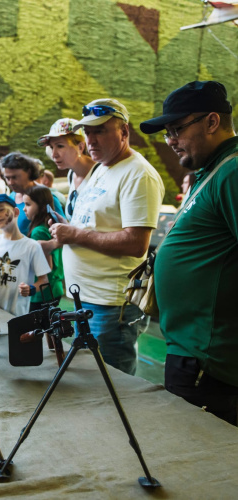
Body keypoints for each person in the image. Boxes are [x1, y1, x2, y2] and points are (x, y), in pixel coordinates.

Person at [140, 80, 238, 425]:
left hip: (207, 356)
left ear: (212, 122)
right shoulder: (212, 171)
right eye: (167, 132)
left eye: (177, 129)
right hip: (192, 348)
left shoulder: (233, 172)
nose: (170, 141)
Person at [49, 99, 164, 375]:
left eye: (100, 131)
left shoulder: (138, 175)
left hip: (111, 306)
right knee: (93, 380)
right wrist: (70, 229)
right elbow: (96, 223)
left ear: (124, 132)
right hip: (86, 300)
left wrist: (75, 234)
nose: (91, 139)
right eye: (87, 132)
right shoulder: (101, 168)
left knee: (113, 384)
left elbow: (137, 243)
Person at [37, 118, 97, 223]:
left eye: (60, 146)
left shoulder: (100, 173)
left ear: (80, 147)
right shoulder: (71, 174)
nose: (54, 154)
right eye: (52, 147)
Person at [1, 152, 65, 236]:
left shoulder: (45, 196)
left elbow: (63, 230)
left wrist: (50, 244)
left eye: (15, 177)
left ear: (29, 172)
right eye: (7, 178)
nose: (11, 182)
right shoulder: (11, 197)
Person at [22, 185, 64, 311]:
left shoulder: (38, 231)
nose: (24, 209)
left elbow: (46, 267)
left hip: (42, 293)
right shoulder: (48, 225)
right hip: (54, 288)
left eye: (28, 204)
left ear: (41, 206)